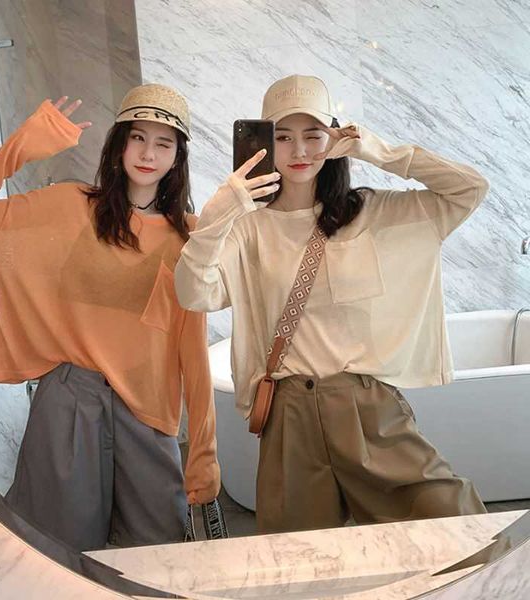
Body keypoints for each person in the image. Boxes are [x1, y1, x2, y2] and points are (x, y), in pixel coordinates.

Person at [174, 74, 487, 534]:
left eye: (313, 134)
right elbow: (193, 293)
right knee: (296, 554)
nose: (299, 150)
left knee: (451, 518)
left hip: (366, 407)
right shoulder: (247, 226)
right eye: (283, 136)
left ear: (335, 138)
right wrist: (220, 213)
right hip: (289, 413)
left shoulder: (371, 212)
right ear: (265, 141)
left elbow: (470, 189)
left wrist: (375, 150)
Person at [0, 84, 220, 550]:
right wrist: (20, 148)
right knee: (60, 549)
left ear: (177, 158)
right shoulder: (71, 206)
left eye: (163, 143)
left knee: (158, 549)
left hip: (148, 412)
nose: (148, 153)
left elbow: (193, 349)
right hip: (69, 402)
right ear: (119, 145)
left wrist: (204, 451)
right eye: (138, 137)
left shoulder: (189, 236)